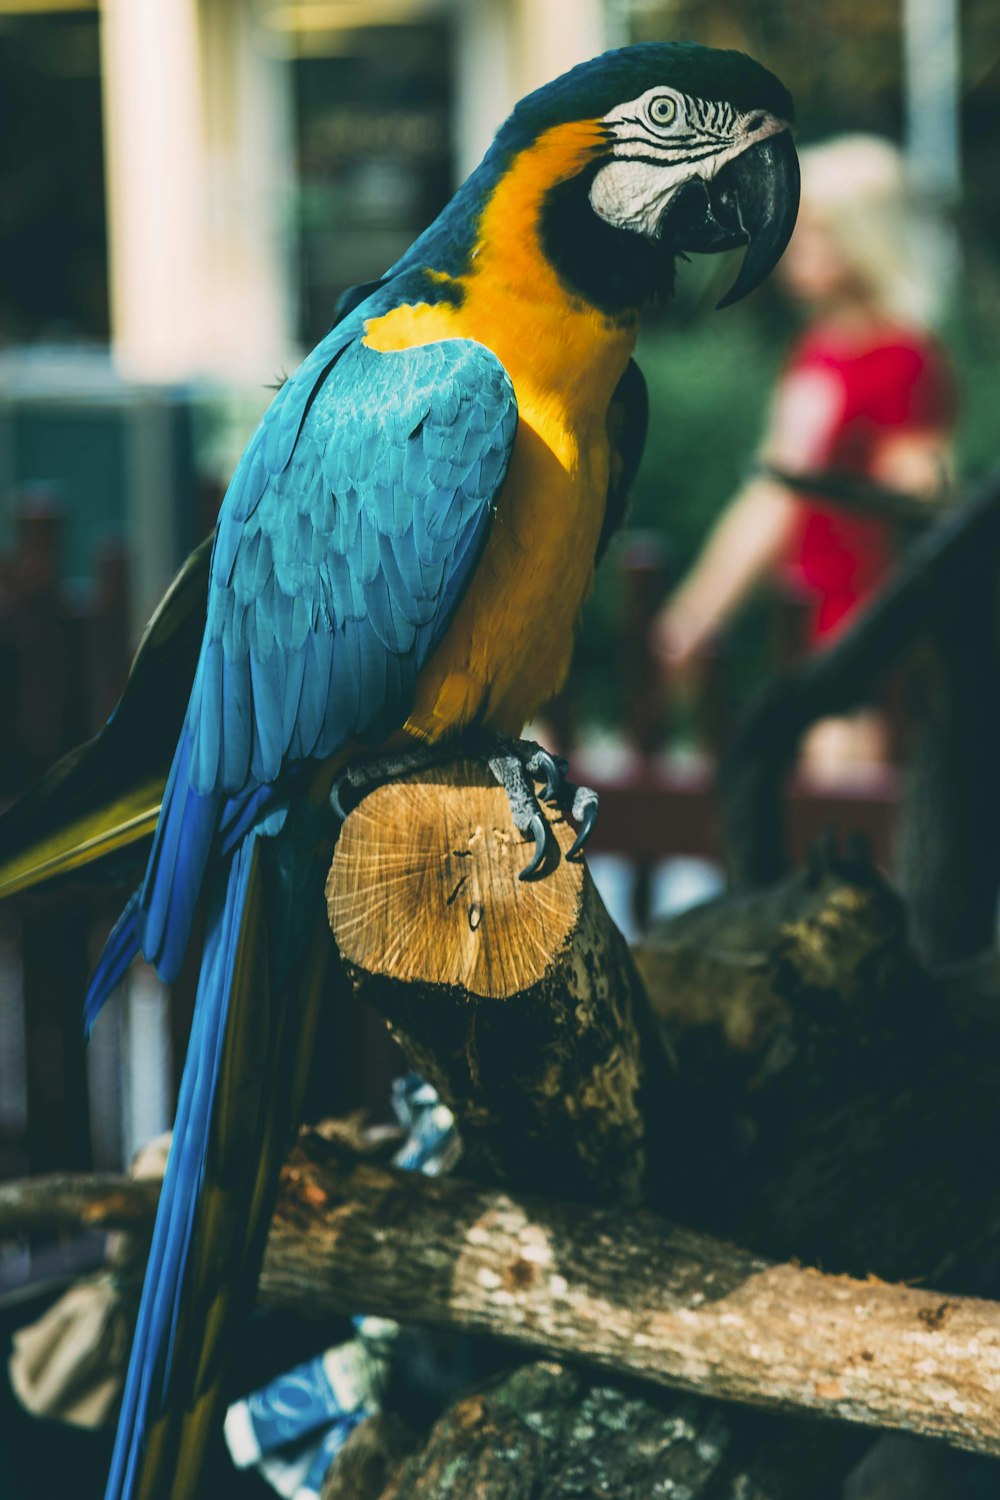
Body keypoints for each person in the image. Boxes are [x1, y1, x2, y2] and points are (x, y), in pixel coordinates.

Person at [652, 134, 956, 779]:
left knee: (843, 816)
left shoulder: (895, 358)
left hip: (863, 630)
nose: (797, 246)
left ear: (867, 237)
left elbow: (909, 499)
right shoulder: (827, 351)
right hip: (817, 618)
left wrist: (697, 613)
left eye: (821, 229)